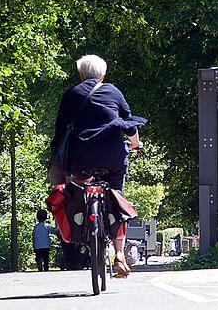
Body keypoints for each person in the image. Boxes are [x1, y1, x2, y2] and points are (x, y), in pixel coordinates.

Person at [51, 54, 147, 278]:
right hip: (111, 156)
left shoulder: (72, 93)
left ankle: (81, 228)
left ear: (81, 74)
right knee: (116, 197)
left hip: (79, 156)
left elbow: (60, 128)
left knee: (76, 189)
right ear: (103, 74)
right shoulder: (113, 92)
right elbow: (129, 124)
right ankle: (120, 255)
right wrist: (135, 145)